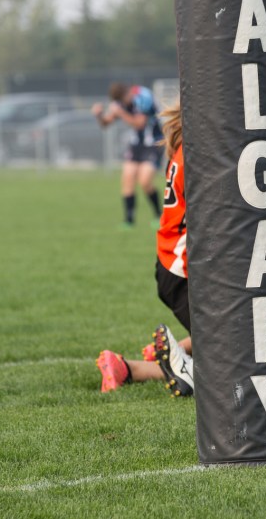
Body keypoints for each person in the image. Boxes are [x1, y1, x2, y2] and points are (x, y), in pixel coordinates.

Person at [97, 103, 195, 396]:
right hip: (184, 270)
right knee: (246, 356)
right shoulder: (202, 152)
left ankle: (137, 364)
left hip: (176, 265)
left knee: (250, 340)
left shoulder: (194, 145)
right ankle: (182, 367)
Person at [91, 82, 164, 228]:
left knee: (145, 181)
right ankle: (129, 220)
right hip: (136, 144)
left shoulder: (143, 96)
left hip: (153, 144)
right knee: (128, 178)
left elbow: (140, 123)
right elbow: (106, 124)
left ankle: (159, 215)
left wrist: (121, 113)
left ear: (127, 94)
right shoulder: (121, 102)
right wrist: (99, 115)